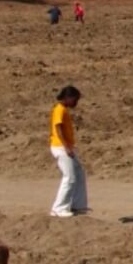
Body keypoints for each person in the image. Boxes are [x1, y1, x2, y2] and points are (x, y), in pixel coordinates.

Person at [49, 86, 88, 217]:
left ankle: (78, 205)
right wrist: (66, 147)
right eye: (75, 100)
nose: (76, 103)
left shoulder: (63, 109)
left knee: (79, 173)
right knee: (69, 177)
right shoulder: (59, 110)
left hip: (66, 146)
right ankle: (58, 208)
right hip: (61, 147)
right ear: (68, 98)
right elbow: (58, 128)